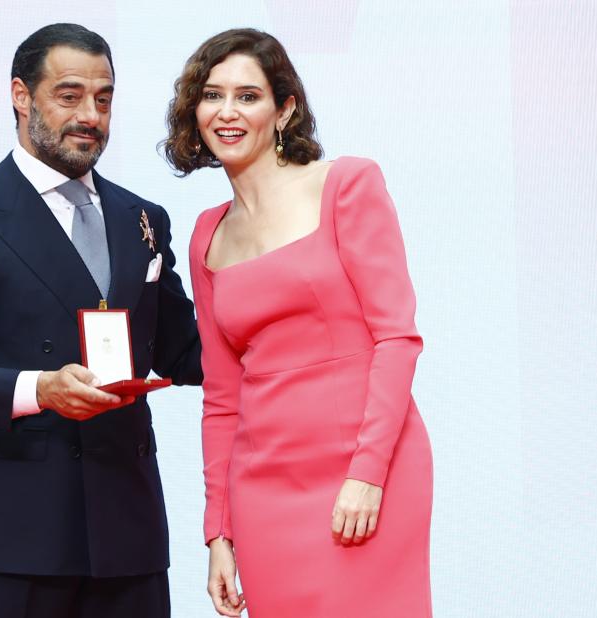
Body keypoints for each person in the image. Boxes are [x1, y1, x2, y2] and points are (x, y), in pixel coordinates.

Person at [0, 23, 201, 618]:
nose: (90, 114)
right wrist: (40, 389)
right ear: (21, 96)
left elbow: (182, 351)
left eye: (104, 97)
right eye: (69, 95)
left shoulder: (142, 217)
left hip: (129, 534)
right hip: (15, 541)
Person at [162, 28, 433, 617]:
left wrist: (367, 474)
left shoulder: (346, 184)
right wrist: (219, 533)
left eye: (248, 96)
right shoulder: (207, 232)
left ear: (284, 109)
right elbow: (222, 398)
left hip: (367, 471)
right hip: (264, 493)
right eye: (212, 95)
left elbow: (397, 338)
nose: (227, 112)